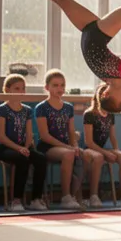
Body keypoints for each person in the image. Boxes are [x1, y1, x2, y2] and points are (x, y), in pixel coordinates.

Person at [0, 75, 48, 211]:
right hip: (4, 147)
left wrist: (26, 146)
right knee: (22, 159)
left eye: (23, 88)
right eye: (17, 88)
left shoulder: (27, 110)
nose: (21, 91)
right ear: (7, 89)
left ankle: (36, 198)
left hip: (23, 147)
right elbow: (1, 136)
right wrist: (19, 149)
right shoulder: (2, 109)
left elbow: (29, 134)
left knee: (41, 159)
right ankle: (16, 200)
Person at [83, 84, 121, 207]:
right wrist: (106, 153)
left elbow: (112, 136)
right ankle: (93, 196)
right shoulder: (89, 114)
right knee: (98, 157)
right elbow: (88, 142)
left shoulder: (110, 114)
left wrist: (116, 151)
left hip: (102, 149)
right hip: (90, 149)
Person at [34, 70, 83, 210]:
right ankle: (65, 196)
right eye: (55, 85)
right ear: (47, 87)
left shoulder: (68, 107)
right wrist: (67, 147)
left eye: (62, 85)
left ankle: (76, 195)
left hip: (65, 146)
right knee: (69, 154)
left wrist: (74, 145)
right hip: (47, 147)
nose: (60, 89)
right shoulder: (42, 107)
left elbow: (71, 131)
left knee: (83, 154)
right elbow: (44, 135)